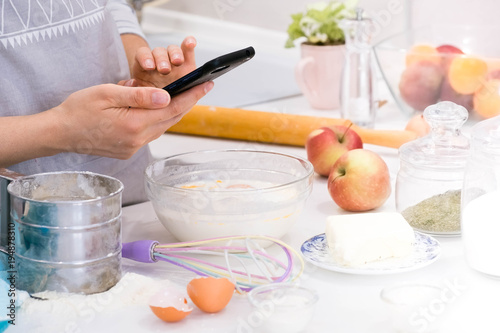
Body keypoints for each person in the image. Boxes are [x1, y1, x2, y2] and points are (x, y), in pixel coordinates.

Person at [0, 0, 213, 205]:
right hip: (21, 220)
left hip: (132, 198)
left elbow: (110, 5)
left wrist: (143, 62)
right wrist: (65, 129)